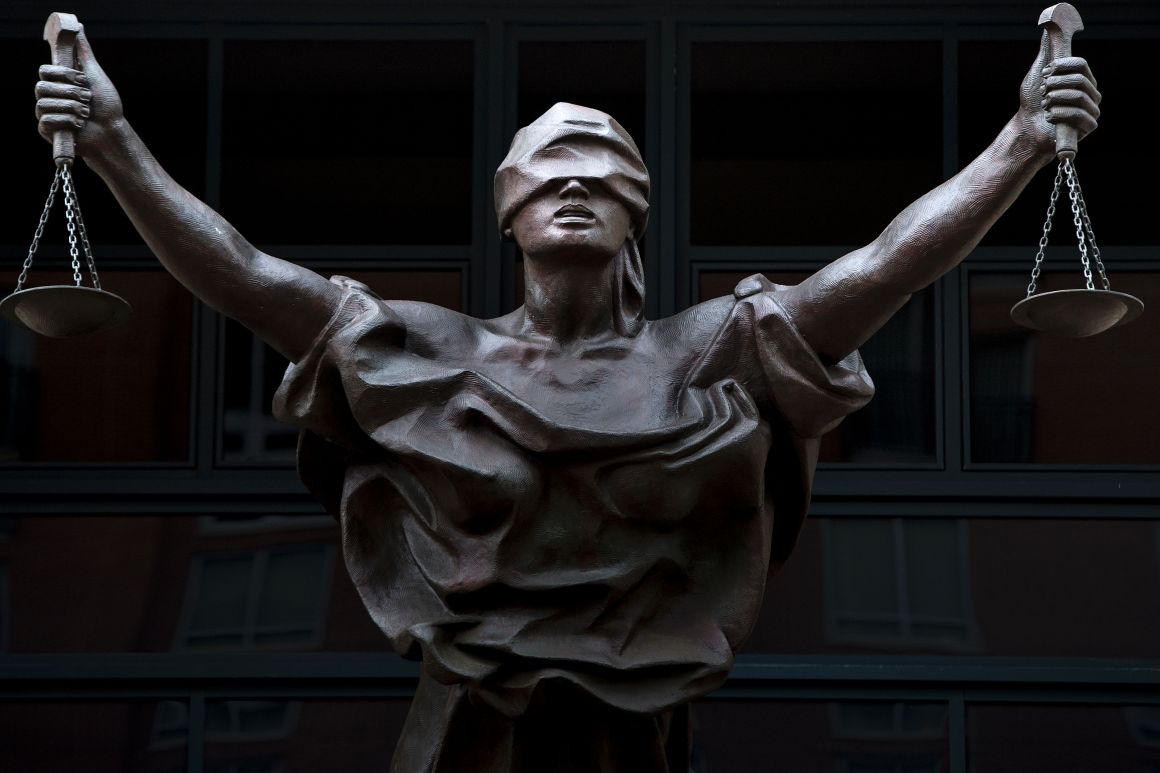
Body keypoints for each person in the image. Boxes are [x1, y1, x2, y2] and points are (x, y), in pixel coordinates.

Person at [35, 26, 1100, 773]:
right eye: (548, 178)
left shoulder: (710, 352)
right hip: (463, 724)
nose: (575, 189)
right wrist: (117, 142)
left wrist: (1016, 142)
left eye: (599, 176)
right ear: (511, 215)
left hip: (635, 727)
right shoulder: (427, 354)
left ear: (633, 212)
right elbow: (240, 272)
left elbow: (881, 269)